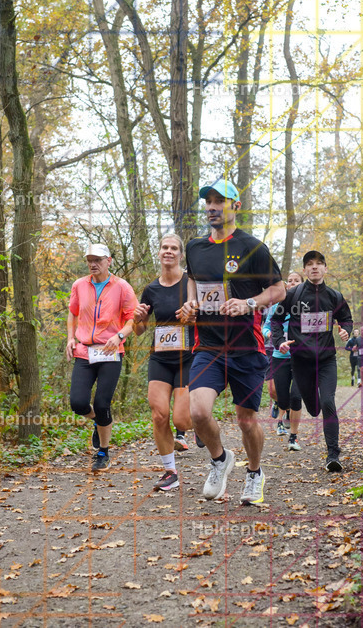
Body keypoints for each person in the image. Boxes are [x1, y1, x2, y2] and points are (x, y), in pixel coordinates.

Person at [179, 180, 285, 505]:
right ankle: (220, 459)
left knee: (246, 420)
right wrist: (190, 305)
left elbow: (278, 290)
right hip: (208, 346)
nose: (212, 207)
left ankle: (254, 473)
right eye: (208, 202)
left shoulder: (253, 247)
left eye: (219, 201)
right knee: (197, 413)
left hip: (246, 348)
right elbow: (193, 281)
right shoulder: (195, 248)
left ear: (235, 206)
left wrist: (249, 303)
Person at [273, 250, 353, 472]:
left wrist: (346, 330)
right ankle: (313, 403)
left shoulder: (334, 296)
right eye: (309, 264)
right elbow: (277, 320)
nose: (314, 267)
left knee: (328, 402)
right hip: (301, 361)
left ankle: (333, 455)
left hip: (326, 360)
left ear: (326, 269)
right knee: (314, 407)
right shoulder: (293, 295)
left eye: (319, 264)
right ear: (305, 269)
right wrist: (279, 341)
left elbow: (346, 318)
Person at [66, 243, 137, 471]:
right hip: (85, 351)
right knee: (78, 402)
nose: (92, 264)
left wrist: (118, 336)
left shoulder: (122, 287)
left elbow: (132, 319)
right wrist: (70, 339)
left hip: (110, 352)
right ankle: (99, 421)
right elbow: (73, 312)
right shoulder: (79, 285)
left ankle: (103, 453)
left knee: (102, 403)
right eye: (89, 259)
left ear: (109, 260)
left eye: (97, 259)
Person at [133, 234, 194, 491]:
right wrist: (138, 318)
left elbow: (205, 317)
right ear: (158, 253)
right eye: (164, 247)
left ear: (180, 255)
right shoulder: (151, 289)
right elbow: (139, 330)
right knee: (159, 415)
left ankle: (200, 423)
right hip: (160, 357)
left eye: (173, 248)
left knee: (182, 420)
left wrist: (193, 316)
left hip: (188, 358)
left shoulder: (191, 282)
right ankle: (170, 471)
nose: (168, 251)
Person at [265, 271, 304, 449]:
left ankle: (293, 437)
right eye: (290, 281)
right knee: (279, 394)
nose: (293, 283)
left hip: (301, 357)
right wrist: (270, 334)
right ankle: (283, 407)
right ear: (286, 285)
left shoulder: (306, 305)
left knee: (296, 396)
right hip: (279, 356)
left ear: (302, 284)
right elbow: (265, 326)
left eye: (297, 281)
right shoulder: (276, 306)